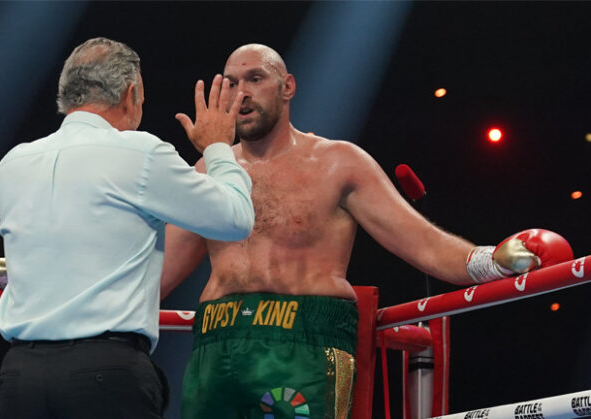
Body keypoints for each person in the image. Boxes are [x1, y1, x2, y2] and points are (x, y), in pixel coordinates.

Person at [160, 44, 572, 419]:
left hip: (303, 342)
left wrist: (490, 262)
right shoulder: (208, 171)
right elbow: (158, 274)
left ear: (287, 87)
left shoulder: (338, 163)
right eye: (231, 83)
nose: (241, 93)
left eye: (255, 79)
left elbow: (422, 243)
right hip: (216, 340)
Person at [0, 37, 254, 419]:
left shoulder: (11, 165)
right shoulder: (139, 153)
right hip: (103, 374)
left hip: (19, 378)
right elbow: (235, 218)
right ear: (130, 93)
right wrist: (217, 148)